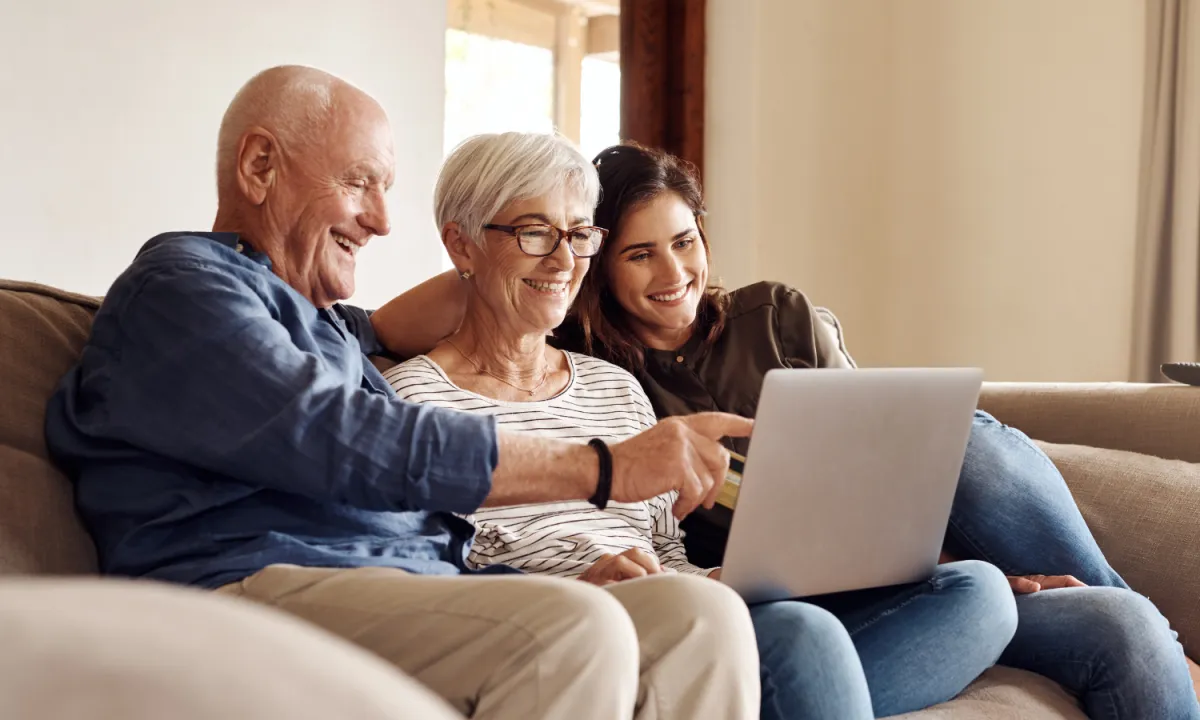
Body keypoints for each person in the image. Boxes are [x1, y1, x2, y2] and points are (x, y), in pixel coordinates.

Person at [373, 141, 1200, 719]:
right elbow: (421, 545)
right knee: (802, 630)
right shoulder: (483, 382)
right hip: (714, 612)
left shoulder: (639, 373)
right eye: (632, 253)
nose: (671, 274)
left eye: (574, 238)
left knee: (989, 565)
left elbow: (877, 473)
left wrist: (940, 558)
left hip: (804, 583)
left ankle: (1117, 600)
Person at [42, 67, 764, 720]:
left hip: (402, 581)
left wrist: (492, 286)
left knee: (698, 615)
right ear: (261, 166)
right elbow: (345, 436)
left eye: (386, 190)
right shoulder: (182, 290)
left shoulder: (320, 324)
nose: (383, 220)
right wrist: (605, 467)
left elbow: (371, 330)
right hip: (245, 582)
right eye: (360, 182)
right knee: (574, 629)